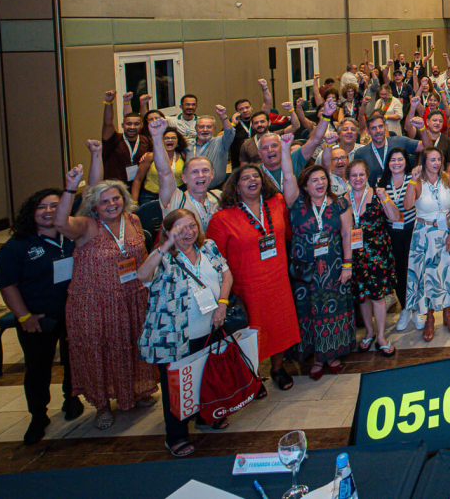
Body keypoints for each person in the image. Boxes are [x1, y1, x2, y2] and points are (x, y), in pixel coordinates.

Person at [54, 161, 158, 429]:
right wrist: (69, 187)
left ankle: (135, 391)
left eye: (116, 198)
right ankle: (102, 405)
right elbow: (60, 223)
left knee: (133, 345)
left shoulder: (132, 220)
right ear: (94, 206)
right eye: (104, 201)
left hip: (132, 297)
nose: (112, 204)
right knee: (101, 352)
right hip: (95, 302)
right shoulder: (86, 226)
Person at [136, 208, 233, 457]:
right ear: (168, 232)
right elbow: (142, 276)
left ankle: (206, 416)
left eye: (192, 226)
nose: (189, 232)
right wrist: (166, 245)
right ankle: (176, 436)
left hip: (210, 327)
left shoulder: (208, 246)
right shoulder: (163, 258)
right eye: (181, 229)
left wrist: (222, 304)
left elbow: (226, 274)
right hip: (174, 336)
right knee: (177, 387)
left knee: (207, 376)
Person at [0, 187, 84, 444]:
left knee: (73, 362)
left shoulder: (72, 236)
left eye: (55, 206)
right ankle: (38, 415)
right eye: (42, 207)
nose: (49, 212)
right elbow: (7, 285)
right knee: (38, 369)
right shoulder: (16, 246)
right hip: (37, 319)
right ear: (31, 212)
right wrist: (24, 317)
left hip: (72, 315)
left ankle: (72, 398)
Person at [207, 155, 301, 390]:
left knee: (280, 326)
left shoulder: (277, 202)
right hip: (247, 285)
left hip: (278, 279)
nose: (252, 180)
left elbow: (288, 234)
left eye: (255, 176)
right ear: (236, 186)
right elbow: (214, 258)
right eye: (245, 178)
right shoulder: (222, 218)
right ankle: (253, 377)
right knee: (253, 334)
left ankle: (278, 369)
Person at [280, 162, 355, 380]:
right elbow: (287, 174)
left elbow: (347, 235)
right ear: (304, 186)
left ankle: (333, 355)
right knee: (309, 311)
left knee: (334, 310)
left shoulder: (340, 203)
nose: (320, 183)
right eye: (314, 180)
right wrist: (285, 149)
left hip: (333, 266)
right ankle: (316, 357)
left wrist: (347, 265)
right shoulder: (296, 203)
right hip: (305, 271)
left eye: (323, 179)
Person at [400, 148, 450, 340]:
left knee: (446, 274)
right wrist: (412, 180)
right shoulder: (417, 181)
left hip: (445, 232)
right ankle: (429, 318)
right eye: (431, 160)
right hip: (424, 235)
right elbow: (407, 205)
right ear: (424, 162)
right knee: (426, 278)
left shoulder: (447, 178)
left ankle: (446, 312)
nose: (435, 163)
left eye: (438, 159)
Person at [344, 158, 399, 353]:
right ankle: (369, 332)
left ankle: (381, 336)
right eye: (353, 175)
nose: (358, 178)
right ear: (348, 178)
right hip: (355, 256)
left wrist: (385, 197)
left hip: (377, 254)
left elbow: (394, 217)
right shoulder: (342, 199)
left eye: (361, 174)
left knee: (378, 297)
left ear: (367, 176)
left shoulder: (377, 195)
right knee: (363, 297)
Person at [375, 146, 416, 332]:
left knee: (414, 270)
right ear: (388, 163)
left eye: (400, 159)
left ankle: (418, 308)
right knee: (399, 272)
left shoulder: (413, 180)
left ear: (406, 162)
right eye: (393, 160)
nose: (397, 163)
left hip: (412, 231)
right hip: (392, 234)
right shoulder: (381, 183)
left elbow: (411, 205)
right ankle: (406, 307)